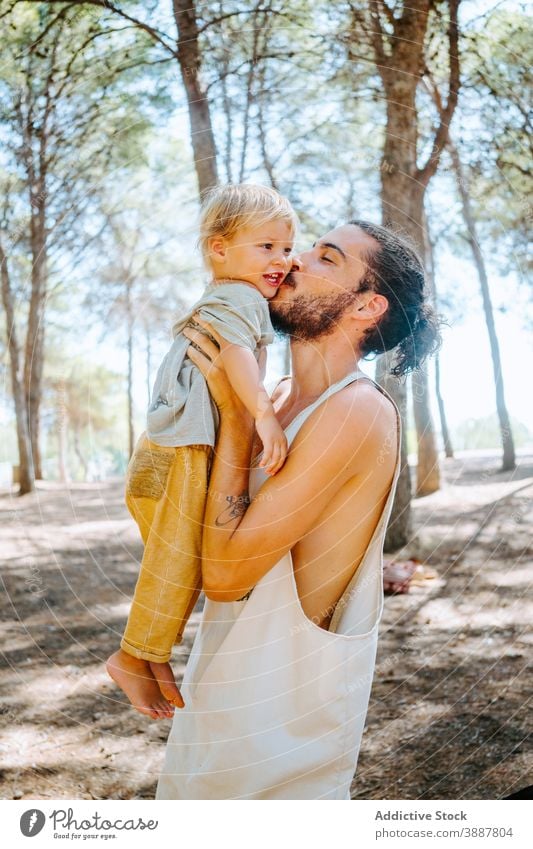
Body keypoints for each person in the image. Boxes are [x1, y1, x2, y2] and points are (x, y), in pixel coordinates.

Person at [155, 219, 441, 799]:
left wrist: (236, 421)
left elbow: (229, 575)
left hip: (278, 746)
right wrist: (146, 644)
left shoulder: (356, 412)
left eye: (327, 258)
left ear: (366, 307)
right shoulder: (278, 397)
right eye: (306, 248)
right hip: (214, 705)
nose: (295, 261)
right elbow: (201, 530)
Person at [106, 184, 297, 720]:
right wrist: (263, 415)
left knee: (182, 557)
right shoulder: (239, 297)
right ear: (219, 248)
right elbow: (235, 357)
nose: (282, 260)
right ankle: (131, 655)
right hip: (181, 450)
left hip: (171, 449)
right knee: (178, 556)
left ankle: (151, 655)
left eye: (287, 248)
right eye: (266, 247)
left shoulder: (236, 295)